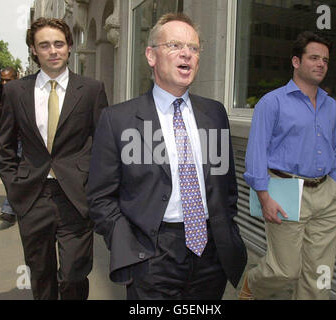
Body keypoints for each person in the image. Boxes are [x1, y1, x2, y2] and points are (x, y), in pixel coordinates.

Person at [87, 12, 247, 300]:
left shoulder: (215, 113)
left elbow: (228, 186)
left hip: (211, 255)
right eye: (174, 45)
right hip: (151, 255)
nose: (186, 53)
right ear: (151, 55)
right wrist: (128, 246)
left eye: (194, 48)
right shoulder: (118, 119)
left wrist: (228, 232)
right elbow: (100, 197)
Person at [0, 17, 108, 300]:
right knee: (41, 274)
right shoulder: (15, 91)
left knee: (73, 274)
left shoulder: (92, 90)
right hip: (33, 196)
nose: (53, 50)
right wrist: (15, 188)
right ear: (34, 50)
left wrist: (93, 187)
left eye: (59, 44)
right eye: (44, 45)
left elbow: (104, 145)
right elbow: (6, 146)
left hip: (75, 197)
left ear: (69, 47)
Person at [240, 31, 336, 300]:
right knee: (285, 270)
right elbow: (256, 154)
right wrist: (264, 196)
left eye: (325, 60)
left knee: (319, 271)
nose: (321, 64)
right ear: (296, 62)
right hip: (284, 190)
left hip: (326, 194)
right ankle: (253, 283)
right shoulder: (271, 102)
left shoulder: (331, 106)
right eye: (314, 58)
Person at [0, 67, 19, 224]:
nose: (4, 83)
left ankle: (9, 210)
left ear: (16, 78)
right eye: (2, 80)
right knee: (10, 173)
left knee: (18, 175)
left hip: (23, 141)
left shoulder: (22, 93)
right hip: (8, 141)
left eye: (8, 80)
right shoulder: (0, 94)